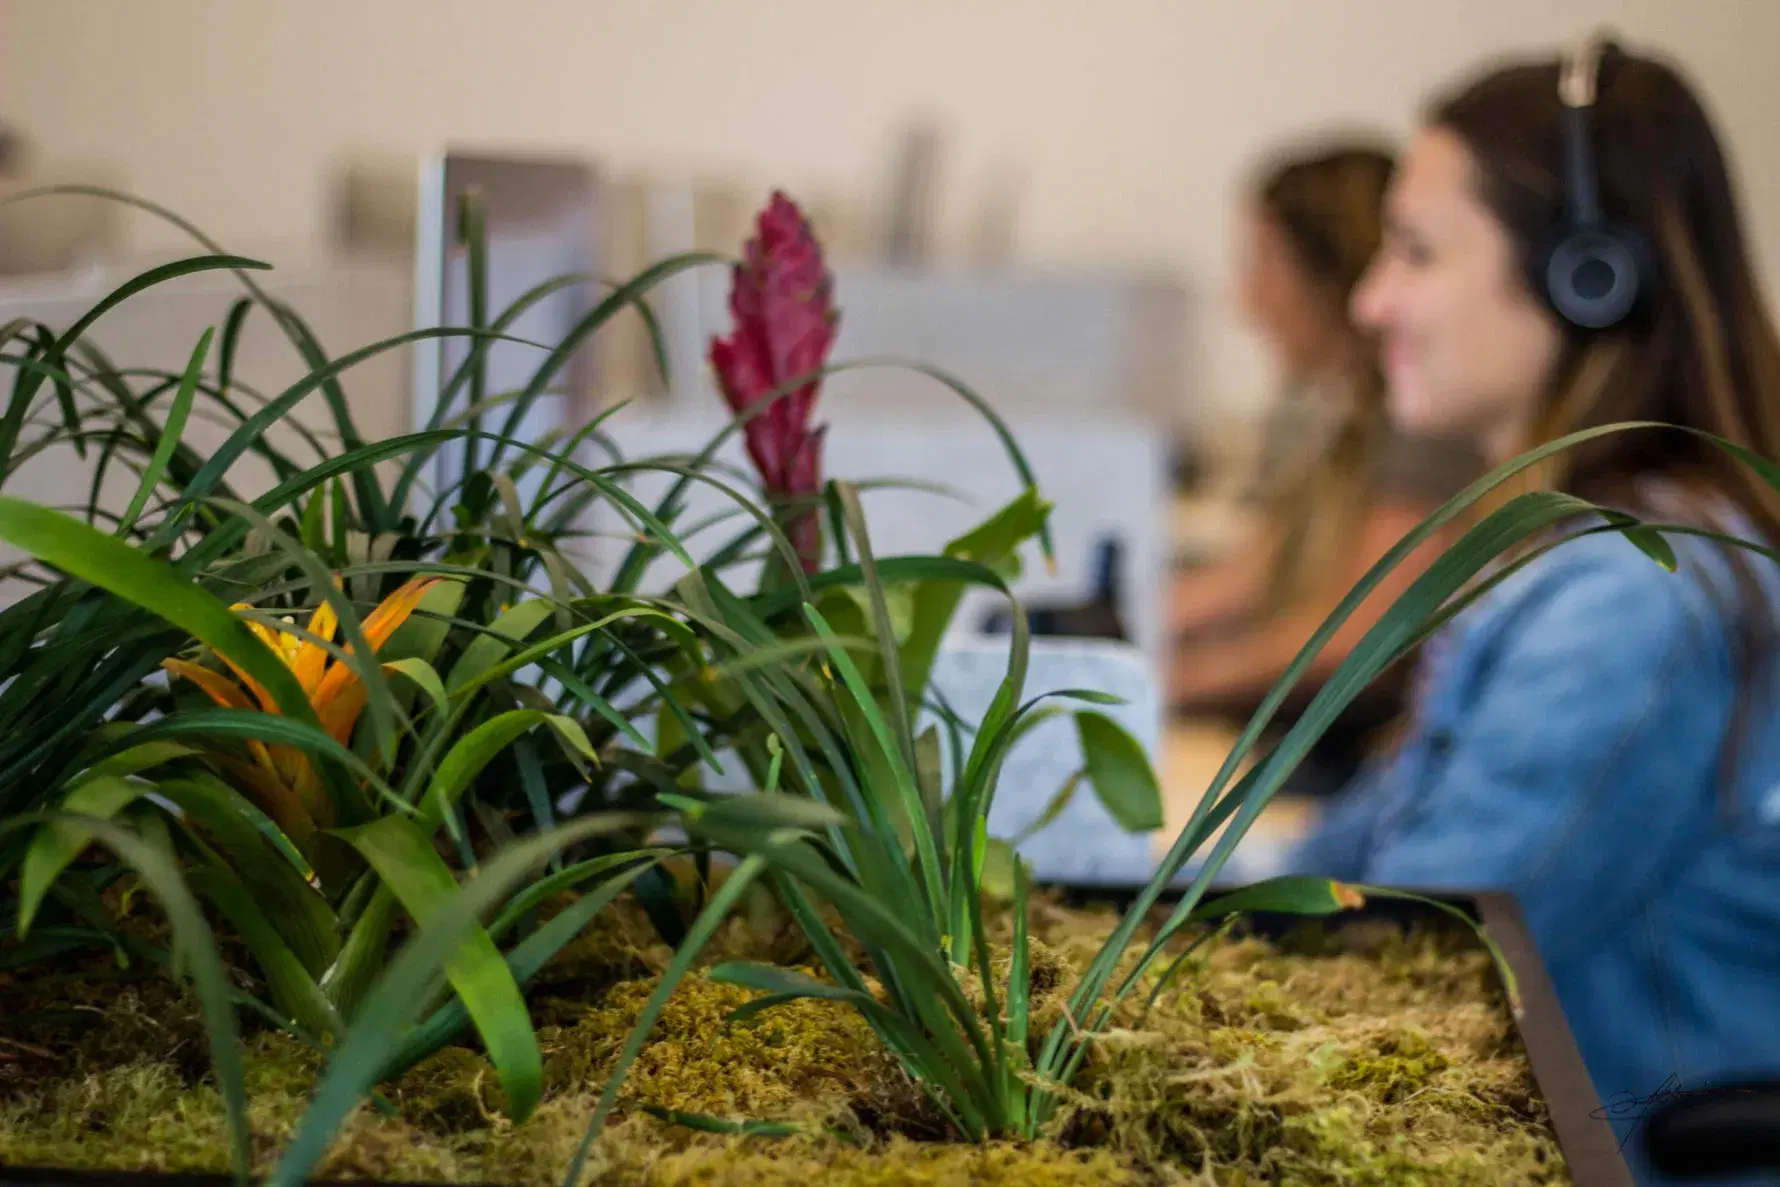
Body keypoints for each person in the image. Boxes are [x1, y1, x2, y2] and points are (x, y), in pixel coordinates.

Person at [1283, 34, 1780, 1183]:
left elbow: (1416, 961)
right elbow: (1361, 853)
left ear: (1586, 273)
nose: (1370, 300)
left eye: (1413, 251)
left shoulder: (1635, 596)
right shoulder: (1591, 552)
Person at [1170, 141, 1482, 795]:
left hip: (1357, 765)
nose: (1248, 302)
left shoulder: (1415, 423)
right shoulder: (1354, 418)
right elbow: (1254, 572)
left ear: (1326, 275)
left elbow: (1359, 634)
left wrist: (1172, 680)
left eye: (1265, 267)